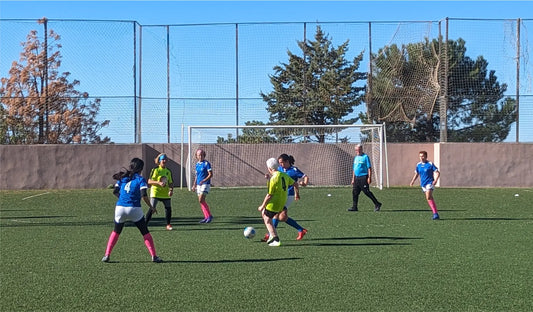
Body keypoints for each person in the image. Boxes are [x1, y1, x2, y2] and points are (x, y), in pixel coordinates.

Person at [102, 158, 162, 263]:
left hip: (120, 208)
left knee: (116, 231)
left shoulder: (123, 178)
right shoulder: (140, 179)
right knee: (145, 232)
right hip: (134, 209)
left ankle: (107, 255)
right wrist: (151, 207)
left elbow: (115, 192)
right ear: (141, 168)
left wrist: (124, 199)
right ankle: (154, 256)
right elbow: (144, 195)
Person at [261, 154, 308, 242]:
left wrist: (299, 190)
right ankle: (301, 230)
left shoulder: (294, 170)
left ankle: (270, 235)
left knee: (276, 215)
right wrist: (268, 178)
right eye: (279, 163)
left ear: (287, 162)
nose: (280, 164)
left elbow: (304, 177)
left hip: (288, 195)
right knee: (282, 217)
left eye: (282, 162)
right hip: (281, 195)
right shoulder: (280, 169)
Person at [258, 158, 296, 247]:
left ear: (269, 169)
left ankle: (275, 238)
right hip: (282, 202)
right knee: (265, 215)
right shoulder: (284, 175)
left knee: (267, 220)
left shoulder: (274, 178)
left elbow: (269, 195)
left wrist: (262, 205)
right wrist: (296, 193)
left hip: (274, 203)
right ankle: (272, 235)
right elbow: (295, 184)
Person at [348, 144, 382, 212]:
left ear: (361, 149)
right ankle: (354, 207)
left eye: (358, 150)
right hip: (356, 178)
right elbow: (354, 169)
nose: (357, 151)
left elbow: (369, 168)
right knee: (355, 192)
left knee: (366, 192)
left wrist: (369, 177)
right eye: (356, 150)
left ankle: (377, 203)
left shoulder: (365, 157)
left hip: (363, 177)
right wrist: (353, 178)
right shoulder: (356, 158)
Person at [146, 153, 174, 231]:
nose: (164, 161)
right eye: (162, 159)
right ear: (159, 160)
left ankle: (168, 225)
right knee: (152, 208)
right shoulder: (155, 170)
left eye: (165, 159)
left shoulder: (168, 171)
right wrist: (158, 183)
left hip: (165, 193)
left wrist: (171, 190)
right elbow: (149, 181)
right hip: (156, 192)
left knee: (168, 208)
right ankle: (145, 225)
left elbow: (171, 182)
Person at [410, 150, 441, 220]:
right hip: (423, 184)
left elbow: (438, 172)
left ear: (426, 156)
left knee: (428, 196)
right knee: (429, 198)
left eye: (423, 156)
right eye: (420, 156)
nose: (421, 158)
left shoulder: (430, 164)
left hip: (430, 182)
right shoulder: (418, 165)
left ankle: (435, 214)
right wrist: (412, 181)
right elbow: (417, 174)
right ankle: (435, 213)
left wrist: (435, 180)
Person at [192, 149, 213, 223]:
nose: (200, 156)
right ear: (196, 156)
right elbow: (196, 176)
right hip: (198, 185)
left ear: (204, 155)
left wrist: (204, 180)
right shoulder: (197, 164)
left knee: (201, 200)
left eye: (201, 155)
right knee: (201, 201)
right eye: (198, 155)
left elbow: (211, 174)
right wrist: (194, 185)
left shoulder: (206, 164)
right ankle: (206, 216)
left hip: (205, 184)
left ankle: (209, 216)